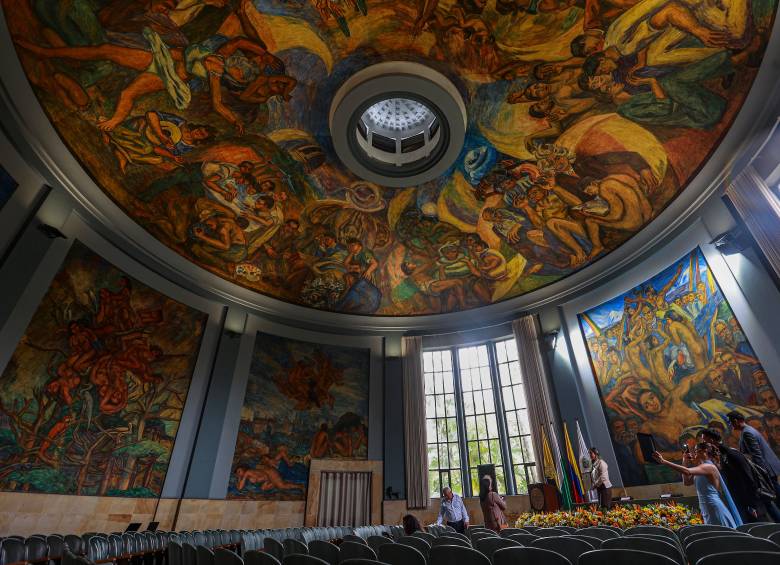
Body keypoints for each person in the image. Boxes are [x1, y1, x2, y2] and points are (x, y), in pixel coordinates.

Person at [653, 443, 742, 527]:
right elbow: (686, 482)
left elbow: (687, 471)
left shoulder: (709, 467)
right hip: (705, 505)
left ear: (704, 451)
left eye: (696, 450)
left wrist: (664, 461)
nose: (694, 453)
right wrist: (684, 461)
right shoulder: (701, 468)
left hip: (713, 505)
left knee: (721, 532)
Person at [698, 428, 774, 523]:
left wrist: (752, 505)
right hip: (739, 501)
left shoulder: (731, 454)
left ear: (711, 440)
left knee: (760, 528)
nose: (703, 443)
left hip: (750, 502)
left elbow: (748, 478)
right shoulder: (720, 455)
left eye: (704, 440)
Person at [728, 411, 780, 522]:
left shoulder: (747, 433)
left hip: (766, 473)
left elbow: (757, 457)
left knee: (772, 502)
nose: (730, 425)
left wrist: (761, 478)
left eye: (731, 422)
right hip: (768, 471)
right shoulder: (749, 430)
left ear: (736, 421)